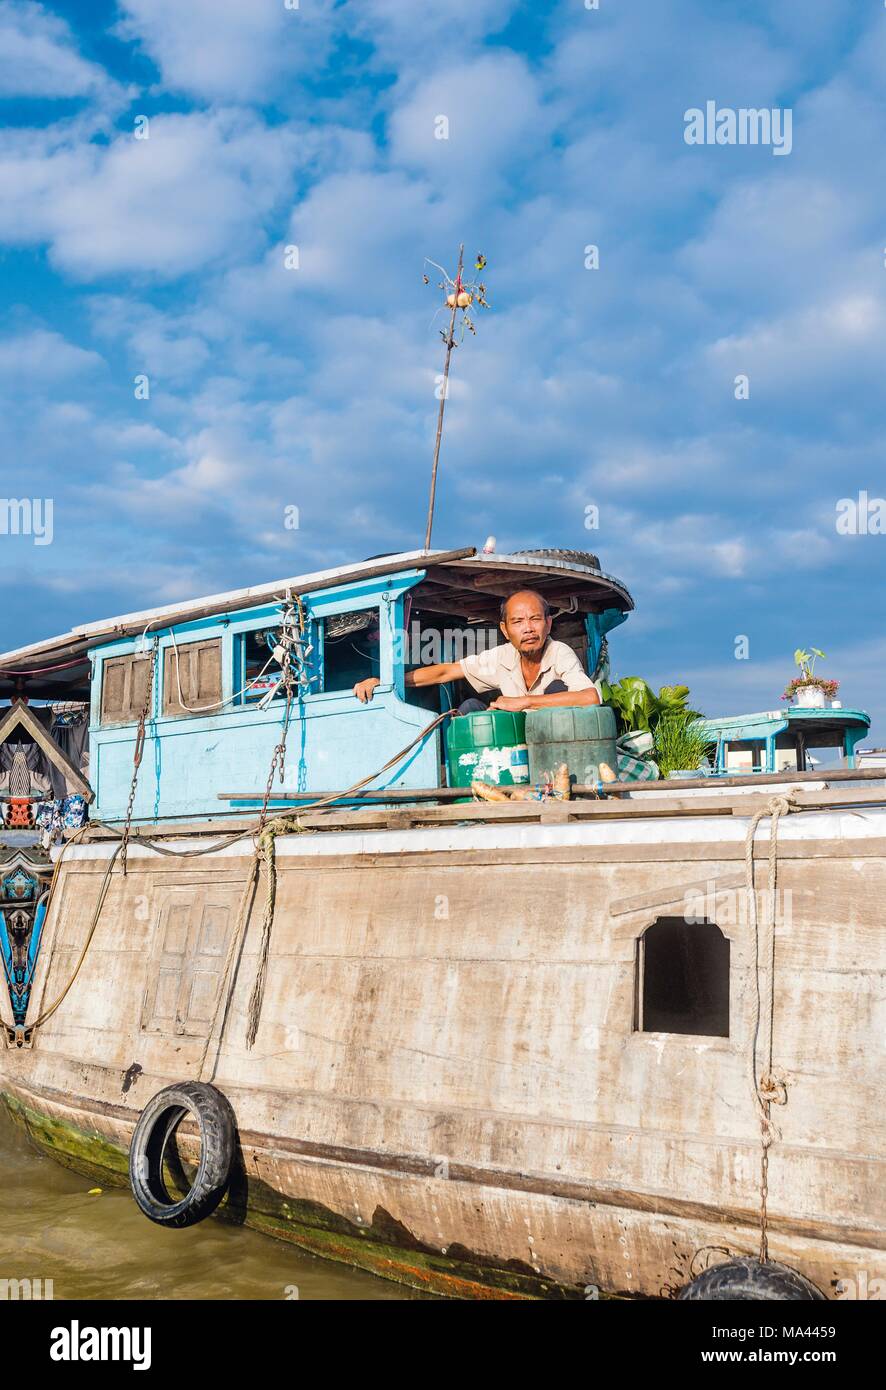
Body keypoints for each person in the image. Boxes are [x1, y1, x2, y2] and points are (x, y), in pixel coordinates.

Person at [353, 589, 601, 713]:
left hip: (554, 745)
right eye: (518, 622)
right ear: (505, 629)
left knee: (557, 689)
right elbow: (444, 673)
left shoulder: (559, 652)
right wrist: (386, 681)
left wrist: (524, 701)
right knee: (471, 707)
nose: (528, 629)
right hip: (514, 745)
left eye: (535, 619)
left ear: (548, 624)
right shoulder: (501, 657)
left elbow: (590, 697)